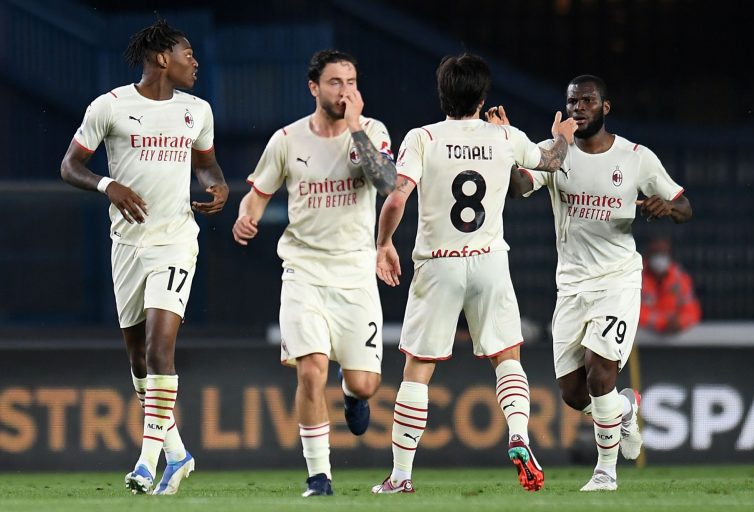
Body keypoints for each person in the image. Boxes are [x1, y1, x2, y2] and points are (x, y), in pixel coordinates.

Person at [372, 53, 577, 494]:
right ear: (482, 98)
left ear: (441, 93)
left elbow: (397, 197)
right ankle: (518, 434)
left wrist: (384, 244)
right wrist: (562, 137)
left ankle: (401, 476)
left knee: (418, 368)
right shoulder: (505, 136)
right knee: (507, 357)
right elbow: (549, 162)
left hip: (438, 262)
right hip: (489, 260)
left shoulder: (423, 137)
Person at [488, 74, 693, 491]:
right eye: (572, 102)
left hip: (617, 281)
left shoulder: (636, 158)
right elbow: (518, 187)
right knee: (574, 393)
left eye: (587, 101)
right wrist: (504, 146)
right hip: (571, 287)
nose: (578, 108)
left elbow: (684, 206)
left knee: (600, 375)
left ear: (605, 108)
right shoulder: (555, 153)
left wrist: (665, 208)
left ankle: (605, 472)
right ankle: (624, 409)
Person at [60, 18, 229, 496]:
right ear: (161, 58)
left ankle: (145, 463)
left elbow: (207, 164)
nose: (194, 62)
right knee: (138, 360)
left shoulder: (197, 110)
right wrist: (106, 184)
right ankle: (178, 455)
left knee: (159, 350)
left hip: (175, 242)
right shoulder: (110, 106)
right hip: (127, 245)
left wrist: (217, 185)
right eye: (187, 54)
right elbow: (70, 165)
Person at [231, 49, 396, 497]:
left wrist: (356, 127)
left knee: (365, 383)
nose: (345, 91)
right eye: (335, 82)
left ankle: (353, 393)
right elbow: (257, 195)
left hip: (355, 274)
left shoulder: (372, 131)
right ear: (314, 87)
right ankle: (319, 477)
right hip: (303, 271)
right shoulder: (287, 140)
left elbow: (386, 183)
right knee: (310, 371)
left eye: (351, 82)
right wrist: (246, 217)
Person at [639, 238, 701, 334]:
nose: (659, 258)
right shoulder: (635, 277)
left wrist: (680, 322)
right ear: (648, 254)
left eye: (663, 253)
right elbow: (633, 313)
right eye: (656, 253)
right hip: (642, 337)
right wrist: (663, 323)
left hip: (674, 339)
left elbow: (692, 311)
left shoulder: (680, 279)